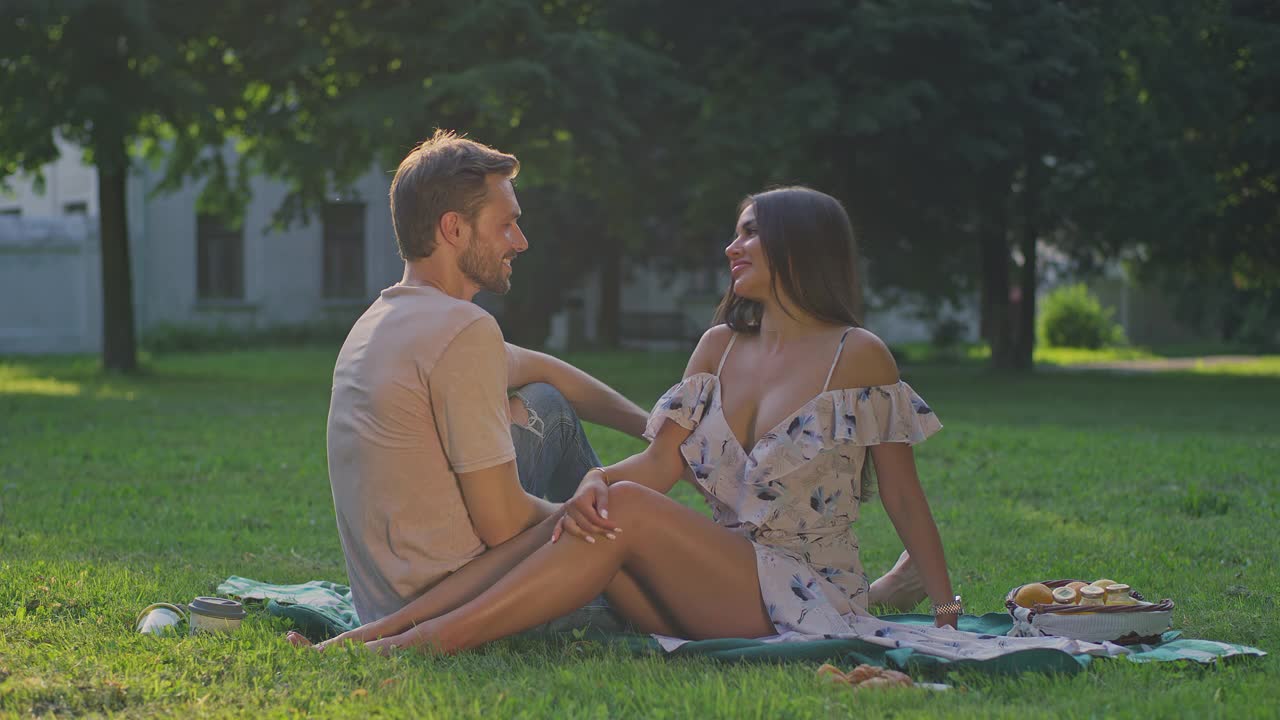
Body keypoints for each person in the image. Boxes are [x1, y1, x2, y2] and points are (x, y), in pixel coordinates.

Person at [292, 185, 951, 653]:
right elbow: (660, 464)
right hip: (713, 587)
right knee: (601, 506)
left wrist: (945, 604)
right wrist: (591, 486)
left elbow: (901, 491)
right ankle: (373, 635)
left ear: (801, 246)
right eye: (737, 230)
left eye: (750, 231)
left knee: (620, 506)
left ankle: (426, 643)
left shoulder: (858, 356)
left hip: (810, 594)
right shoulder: (718, 347)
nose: (732, 246)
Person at [320, 129, 651, 628]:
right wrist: (597, 515)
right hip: (465, 601)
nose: (520, 242)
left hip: (388, 598)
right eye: (506, 225)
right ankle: (634, 568)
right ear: (454, 229)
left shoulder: (386, 318)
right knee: (654, 591)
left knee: (547, 404)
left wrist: (653, 430)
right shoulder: (462, 330)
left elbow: (542, 369)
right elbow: (503, 525)